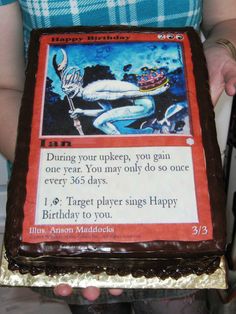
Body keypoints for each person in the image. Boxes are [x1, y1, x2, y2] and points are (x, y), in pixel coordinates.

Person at [0, 1, 236, 313]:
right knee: (95, 302)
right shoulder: (89, 91)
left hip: (166, 174)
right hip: (72, 197)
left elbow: (228, 18)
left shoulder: (97, 86)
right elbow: (6, 85)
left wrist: (223, 45)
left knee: (175, 296)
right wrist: (70, 166)